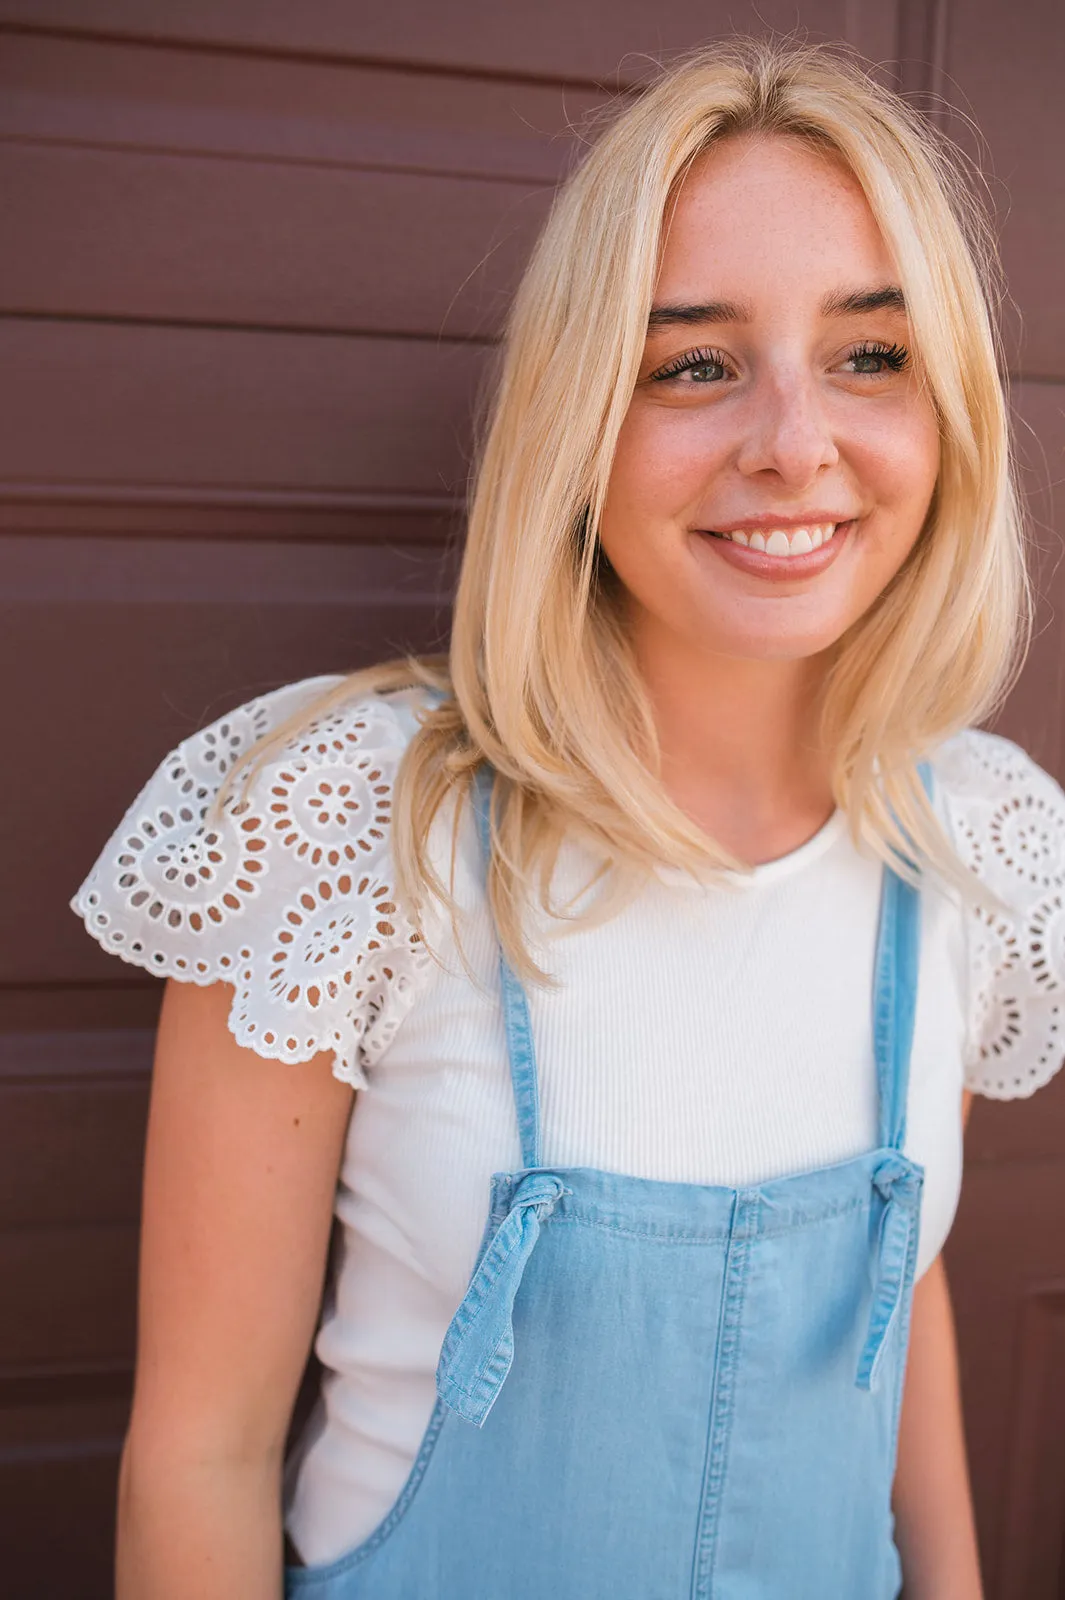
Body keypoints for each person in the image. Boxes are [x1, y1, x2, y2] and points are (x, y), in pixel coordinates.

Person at [72, 35, 1065, 1600]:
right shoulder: (350, 824)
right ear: (578, 423)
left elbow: (896, 1298)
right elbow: (198, 1454)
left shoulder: (972, 842)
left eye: (872, 356)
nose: (796, 441)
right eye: (694, 362)